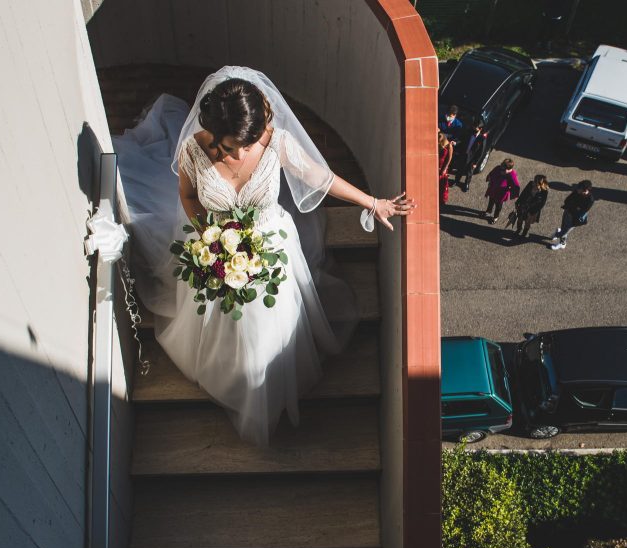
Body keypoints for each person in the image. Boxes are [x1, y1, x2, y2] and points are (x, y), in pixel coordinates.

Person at [113, 67, 415, 445]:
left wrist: (373, 202)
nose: (236, 153)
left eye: (244, 144)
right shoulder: (193, 149)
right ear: (211, 131)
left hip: (270, 249)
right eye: (226, 147)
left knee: (268, 327)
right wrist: (210, 235)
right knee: (222, 323)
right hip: (217, 250)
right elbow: (189, 196)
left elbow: (321, 177)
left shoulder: (277, 143)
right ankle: (228, 377)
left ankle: (266, 388)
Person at [550, 179, 594, 251]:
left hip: (575, 218)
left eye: (579, 189)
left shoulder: (590, 199)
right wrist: (574, 206)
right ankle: (560, 236)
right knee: (563, 226)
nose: (577, 190)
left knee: (565, 231)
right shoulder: (577, 192)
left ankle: (561, 241)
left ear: (585, 190)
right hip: (568, 211)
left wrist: (574, 206)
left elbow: (584, 210)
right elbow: (567, 200)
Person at [482, 158, 520, 224]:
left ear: (509, 169)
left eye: (503, 169)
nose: (501, 170)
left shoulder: (512, 175)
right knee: (491, 201)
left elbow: (516, 187)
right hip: (493, 190)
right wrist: (489, 178)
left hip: (501, 194)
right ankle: (488, 211)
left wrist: (510, 190)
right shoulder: (498, 168)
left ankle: (495, 217)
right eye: (501, 167)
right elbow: (492, 173)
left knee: (498, 206)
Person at [454, 122, 486, 191]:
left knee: (469, 172)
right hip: (464, 154)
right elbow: (461, 140)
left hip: (473, 158)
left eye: (476, 128)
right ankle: (456, 181)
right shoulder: (469, 133)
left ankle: (466, 184)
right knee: (460, 168)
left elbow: (481, 152)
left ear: (480, 129)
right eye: (473, 127)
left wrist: (476, 163)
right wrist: (456, 142)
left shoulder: (482, 139)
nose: (474, 129)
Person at [438, 132, 453, 205]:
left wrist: (443, 169)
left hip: (443, 167)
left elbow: (449, 159)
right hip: (437, 166)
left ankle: (442, 199)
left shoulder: (449, 146)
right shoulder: (439, 144)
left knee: (442, 184)